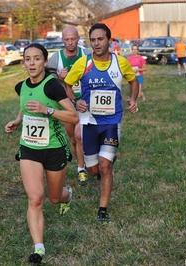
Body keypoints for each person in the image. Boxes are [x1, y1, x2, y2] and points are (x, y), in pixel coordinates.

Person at [5, 43, 78, 264]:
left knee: (54, 198)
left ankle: (68, 194)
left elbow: (73, 117)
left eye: (37, 59)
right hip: (29, 148)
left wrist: (48, 110)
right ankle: (39, 248)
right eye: (28, 59)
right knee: (36, 198)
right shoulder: (21, 86)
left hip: (54, 149)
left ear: (45, 62)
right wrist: (18, 120)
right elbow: (25, 106)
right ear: (24, 62)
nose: (32, 63)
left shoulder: (53, 86)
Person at [64, 23, 138, 224]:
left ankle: (102, 210)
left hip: (112, 122)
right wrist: (75, 101)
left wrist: (133, 99)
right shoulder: (83, 63)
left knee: (105, 167)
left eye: (100, 39)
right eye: (93, 40)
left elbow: (134, 81)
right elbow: (68, 85)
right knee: (93, 170)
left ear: (109, 40)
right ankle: (102, 164)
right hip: (89, 122)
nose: (96, 43)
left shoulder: (120, 62)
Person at [48, 25, 90, 186]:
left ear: (78, 39)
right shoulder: (56, 58)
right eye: (67, 39)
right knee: (73, 139)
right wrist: (59, 77)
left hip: (85, 102)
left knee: (80, 137)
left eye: (73, 39)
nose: (70, 42)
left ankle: (81, 170)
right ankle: (84, 162)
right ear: (62, 40)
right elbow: (48, 80)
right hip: (67, 105)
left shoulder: (85, 54)